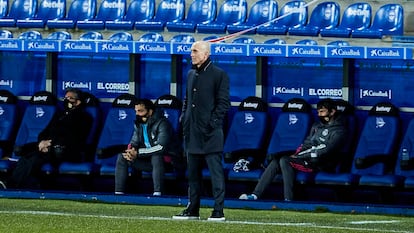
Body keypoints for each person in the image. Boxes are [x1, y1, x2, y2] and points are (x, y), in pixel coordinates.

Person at [239, 98, 347, 201]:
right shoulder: (316, 126)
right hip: (306, 160)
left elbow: (324, 151)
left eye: (322, 112)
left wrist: (298, 156)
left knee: (285, 160)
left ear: (332, 112)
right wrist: (298, 153)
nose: (319, 115)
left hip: (319, 163)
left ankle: (288, 199)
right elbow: (307, 143)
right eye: (318, 112)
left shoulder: (339, 131)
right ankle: (255, 195)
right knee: (276, 161)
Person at [172, 41, 230, 221]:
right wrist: (184, 118)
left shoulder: (219, 74)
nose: (191, 54)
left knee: (215, 174)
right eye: (191, 51)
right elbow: (187, 100)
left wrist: (211, 124)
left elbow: (223, 103)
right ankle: (193, 209)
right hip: (192, 133)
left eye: (195, 51)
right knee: (193, 175)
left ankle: (218, 210)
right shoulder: (190, 74)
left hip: (211, 135)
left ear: (205, 54)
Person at [1, 88, 93, 189]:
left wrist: (50, 143)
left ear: (78, 102)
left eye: (70, 98)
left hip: (67, 150)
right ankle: (12, 183)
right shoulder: (60, 115)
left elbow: (73, 137)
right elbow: (45, 131)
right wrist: (42, 142)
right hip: (50, 148)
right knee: (27, 156)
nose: (66, 100)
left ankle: (12, 184)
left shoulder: (84, 117)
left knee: (36, 157)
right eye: (65, 98)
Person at [115, 98, 181, 196]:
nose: (137, 114)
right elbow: (134, 141)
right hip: (147, 159)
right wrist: (131, 151)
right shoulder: (138, 124)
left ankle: (158, 193)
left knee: (156, 157)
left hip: (168, 162)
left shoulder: (163, 123)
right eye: (136, 111)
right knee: (122, 156)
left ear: (150, 111)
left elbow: (161, 147)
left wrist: (138, 153)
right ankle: (118, 193)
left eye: (140, 111)